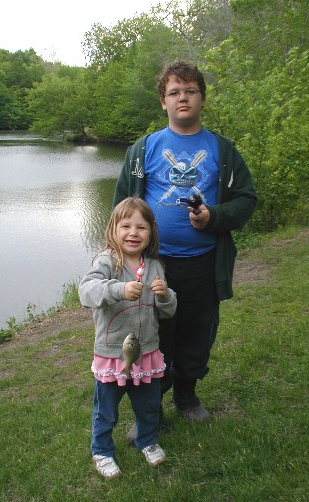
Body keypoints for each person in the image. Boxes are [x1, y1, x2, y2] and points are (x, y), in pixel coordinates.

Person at [112, 61, 257, 423]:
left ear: (202, 99)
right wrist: (119, 256)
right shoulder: (142, 150)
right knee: (152, 335)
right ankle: (151, 406)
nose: (183, 98)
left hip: (203, 262)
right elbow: (120, 208)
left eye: (190, 91)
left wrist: (213, 217)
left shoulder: (222, 150)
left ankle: (187, 396)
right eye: (175, 92)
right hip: (153, 264)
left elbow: (245, 199)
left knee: (196, 330)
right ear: (163, 101)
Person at [79, 197, 177, 479]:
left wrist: (165, 296)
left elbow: (168, 311)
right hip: (112, 354)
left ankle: (147, 440)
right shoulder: (107, 261)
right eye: (126, 226)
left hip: (146, 352)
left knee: (148, 405)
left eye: (141, 227)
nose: (133, 233)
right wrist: (119, 290)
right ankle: (102, 450)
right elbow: (86, 292)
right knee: (106, 410)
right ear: (113, 229)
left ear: (151, 233)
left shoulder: (156, 266)